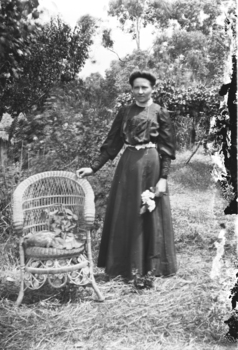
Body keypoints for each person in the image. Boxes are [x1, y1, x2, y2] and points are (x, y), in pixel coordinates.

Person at [76, 70, 177, 285]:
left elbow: (167, 149)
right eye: (136, 88)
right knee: (127, 212)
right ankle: (124, 266)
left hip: (152, 165)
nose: (140, 91)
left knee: (150, 212)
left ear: (152, 89)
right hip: (128, 165)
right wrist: (93, 168)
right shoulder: (125, 112)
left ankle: (150, 269)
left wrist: (163, 178)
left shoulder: (161, 112)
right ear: (131, 89)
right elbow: (112, 143)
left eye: (144, 87)